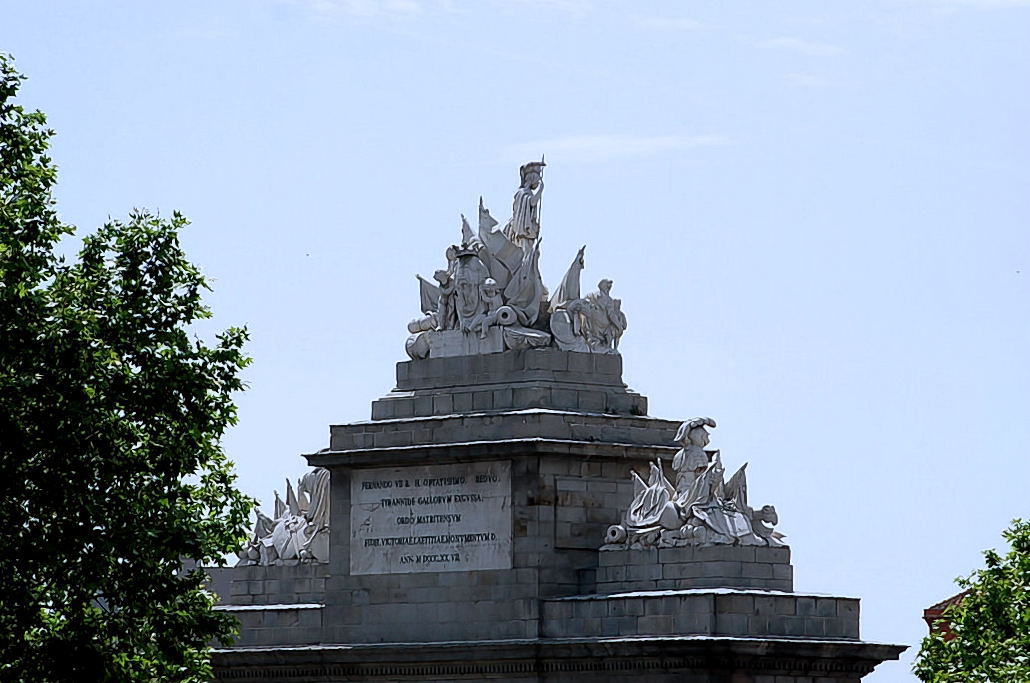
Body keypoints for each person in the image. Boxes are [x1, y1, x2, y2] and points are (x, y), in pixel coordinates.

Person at [503, 160, 545, 252]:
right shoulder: (522, 193)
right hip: (523, 233)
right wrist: (541, 189)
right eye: (538, 179)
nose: (538, 182)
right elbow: (532, 202)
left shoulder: (525, 192)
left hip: (527, 235)